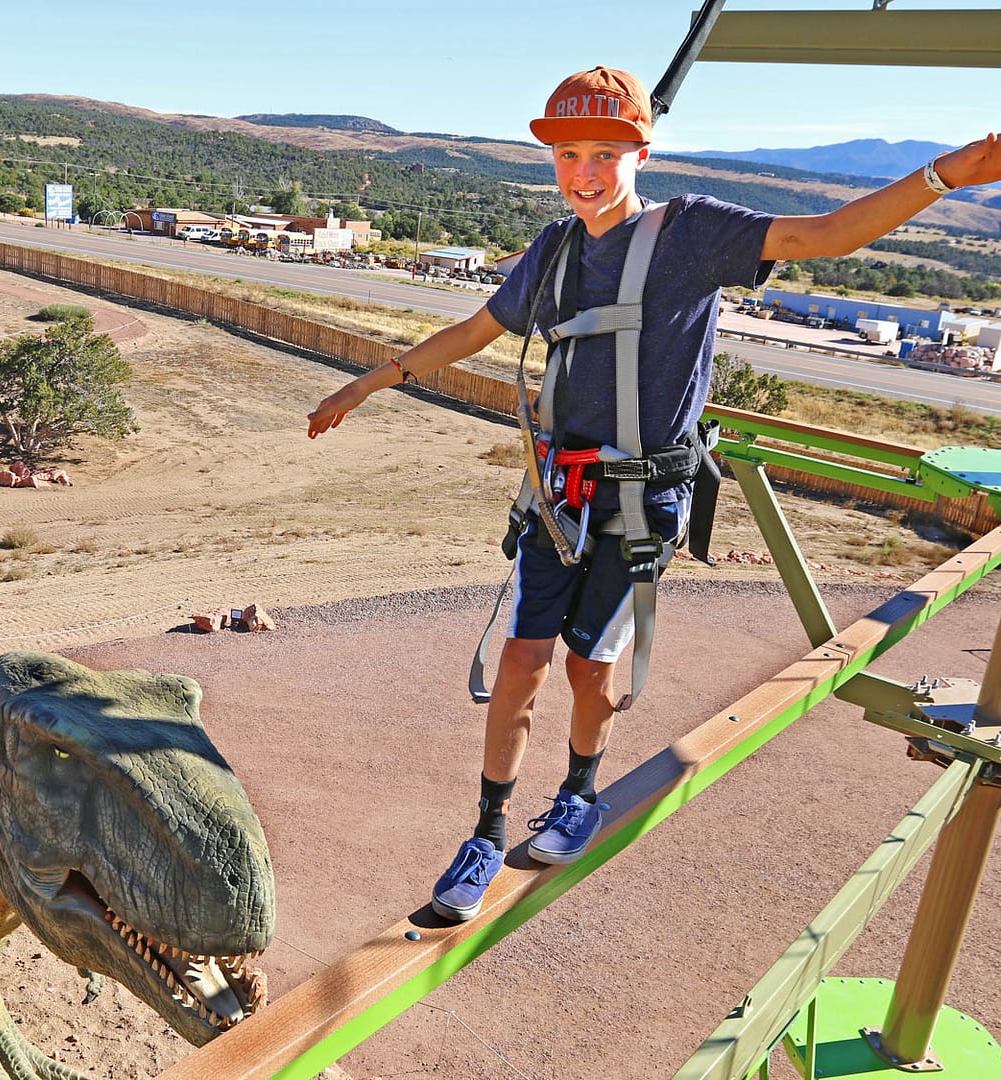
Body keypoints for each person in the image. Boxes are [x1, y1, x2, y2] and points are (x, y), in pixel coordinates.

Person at [306, 66, 1001, 923]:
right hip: (559, 497)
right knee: (522, 658)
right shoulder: (553, 253)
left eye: (605, 152)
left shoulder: (692, 235)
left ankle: (579, 793)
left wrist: (941, 177)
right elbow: (476, 330)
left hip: (640, 499)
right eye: (568, 155)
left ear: (643, 151)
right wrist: (367, 384)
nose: (585, 171)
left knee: (591, 664)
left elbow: (827, 235)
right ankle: (486, 830)